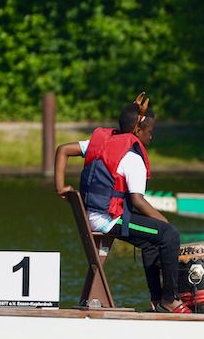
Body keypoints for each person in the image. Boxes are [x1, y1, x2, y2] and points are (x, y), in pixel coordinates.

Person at [55, 93, 187, 313]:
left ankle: (157, 300)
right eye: (150, 132)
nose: (151, 137)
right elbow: (137, 201)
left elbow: (63, 150)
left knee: (150, 242)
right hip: (108, 220)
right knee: (170, 234)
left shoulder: (99, 144)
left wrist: (60, 187)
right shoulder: (133, 158)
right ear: (137, 130)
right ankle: (170, 300)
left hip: (91, 216)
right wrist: (165, 223)